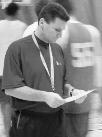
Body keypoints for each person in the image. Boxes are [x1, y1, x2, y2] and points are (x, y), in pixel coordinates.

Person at [1, 3, 86, 137]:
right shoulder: (17, 49)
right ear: (42, 22)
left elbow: (61, 83)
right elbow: (11, 88)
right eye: (57, 30)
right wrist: (44, 96)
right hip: (28, 123)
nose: (60, 35)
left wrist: (72, 92)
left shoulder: (57, 49)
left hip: (57, 121)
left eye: (63, 30)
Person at [54, 0, 102, 137]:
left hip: (63, 105)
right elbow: (101, 72)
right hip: (85, 104)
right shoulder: (92, 32)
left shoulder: (60, 33)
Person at [0, 3, 27, 137]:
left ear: (5, 12)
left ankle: (6, 131)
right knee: (15, 102)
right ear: (17, 12)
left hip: (0, 70)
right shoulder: (22, 26)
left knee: (4, 103)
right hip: (15, 70)